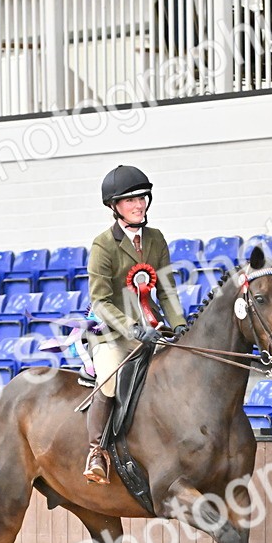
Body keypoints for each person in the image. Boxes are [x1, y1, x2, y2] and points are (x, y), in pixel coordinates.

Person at [83, 164, 188, 484]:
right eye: (130, 200)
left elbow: (166, 289)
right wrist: (131, 328)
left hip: (153, 328)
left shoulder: (156, 239)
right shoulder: (103, 245)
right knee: (112, 379)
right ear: (115, 207)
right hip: (113, 333)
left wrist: (180, 324)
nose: (139, 204)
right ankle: (96, 451)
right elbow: (100, 301)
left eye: (142, 197)